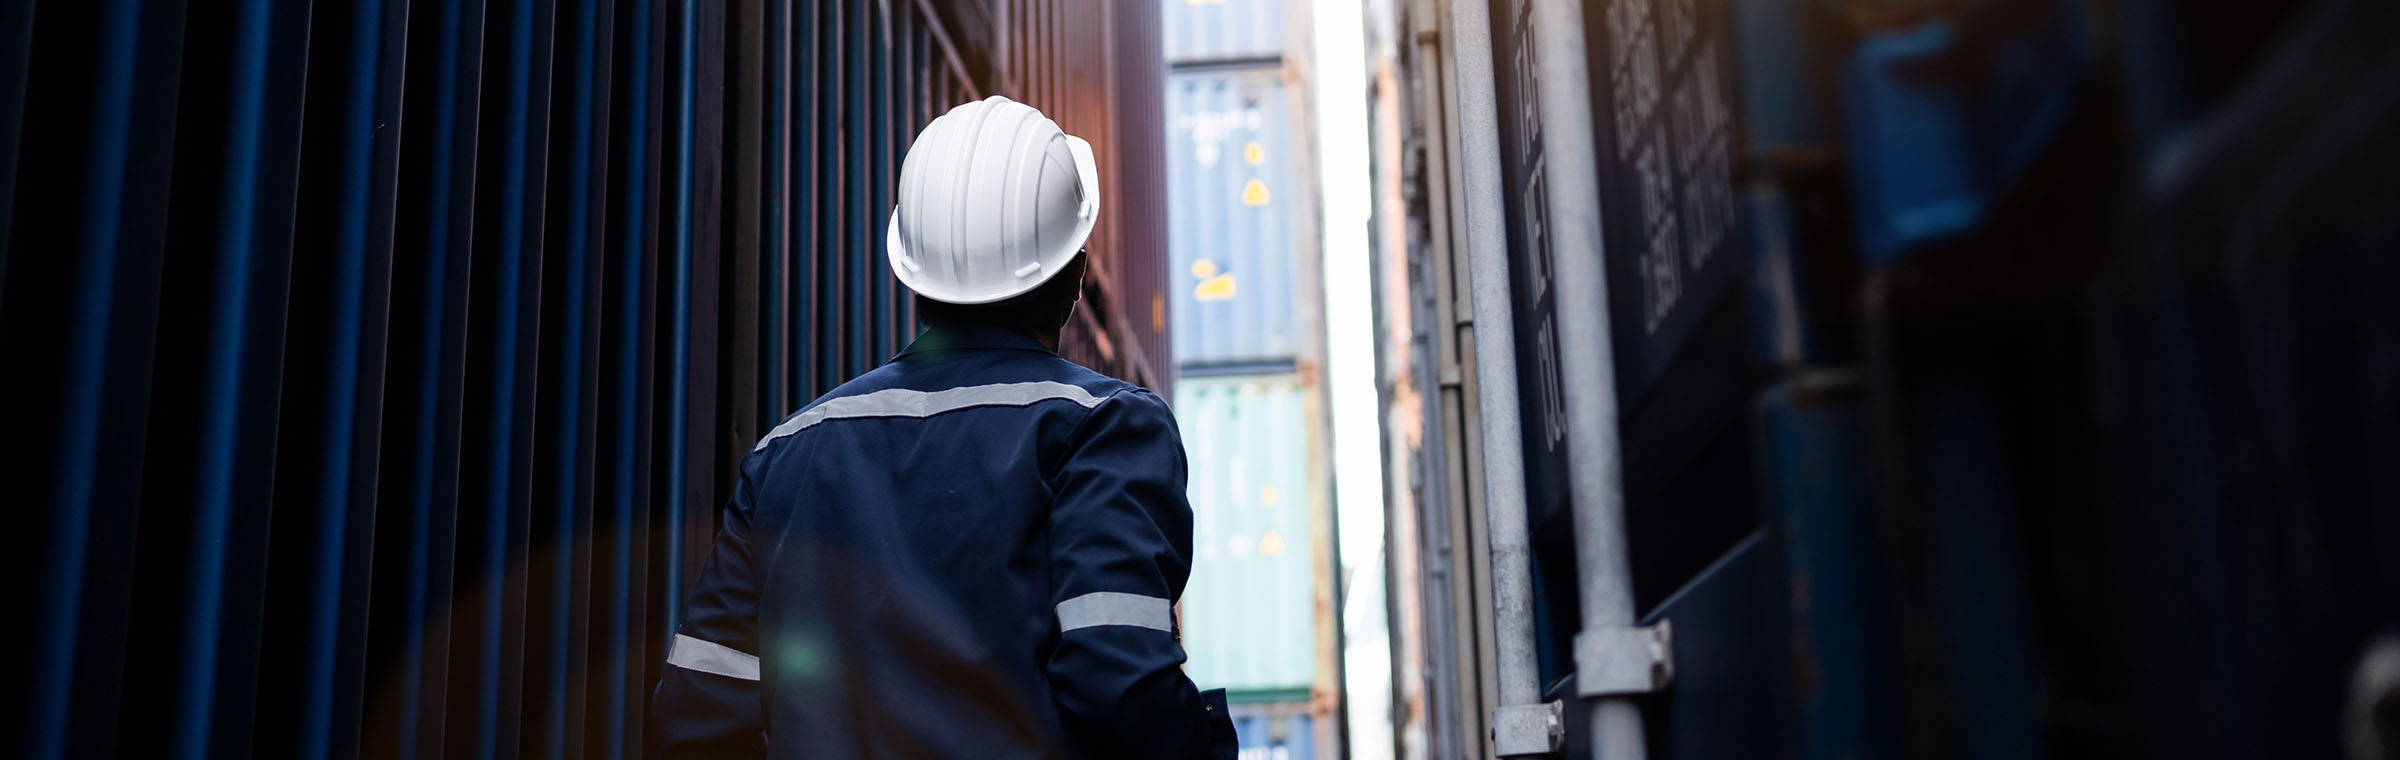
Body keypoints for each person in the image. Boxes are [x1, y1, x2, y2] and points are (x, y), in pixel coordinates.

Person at [652, 95, 1238, 759]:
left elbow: (694, 716)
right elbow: (1121, 689)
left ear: (909, 273)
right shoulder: (1105, 429)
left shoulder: (786, 455)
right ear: (1075, 273)